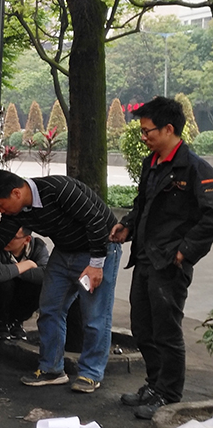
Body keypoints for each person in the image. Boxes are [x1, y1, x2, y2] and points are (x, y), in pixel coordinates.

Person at [110, 96, 213, 420]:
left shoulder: (196, 169)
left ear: (169, 129)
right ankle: (154, 385)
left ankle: (168, 395)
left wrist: (185, 251)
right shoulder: (151, 163)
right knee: (142, 327)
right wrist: (126, 225)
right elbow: (143, 203)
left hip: (170, 262)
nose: (143, 136)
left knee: (167, 332)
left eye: (147, 130)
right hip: (144, 258)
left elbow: (211, 216)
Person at [0, 169, 120, 394]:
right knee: (50, 308)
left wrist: (97, 265)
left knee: (95, 315)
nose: (1, 210)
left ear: (16, 193)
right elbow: (0, 239)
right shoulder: (17, 212)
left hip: (96, 250)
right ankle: (51, 369)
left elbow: (96, 221)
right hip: (64, 252)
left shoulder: (59, 190)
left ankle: (91, 373)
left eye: (1, 204)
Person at [0, 226, 49, 340]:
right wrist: (27, 265)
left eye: (13, 237)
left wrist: (11, 271)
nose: (7, 239)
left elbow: (46, 274)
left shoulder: (38, 247)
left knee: (36, 285)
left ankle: (16, 322)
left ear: (27, 240)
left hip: (20, 298)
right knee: (4, 283)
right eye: (5, 235)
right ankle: (0, 323)